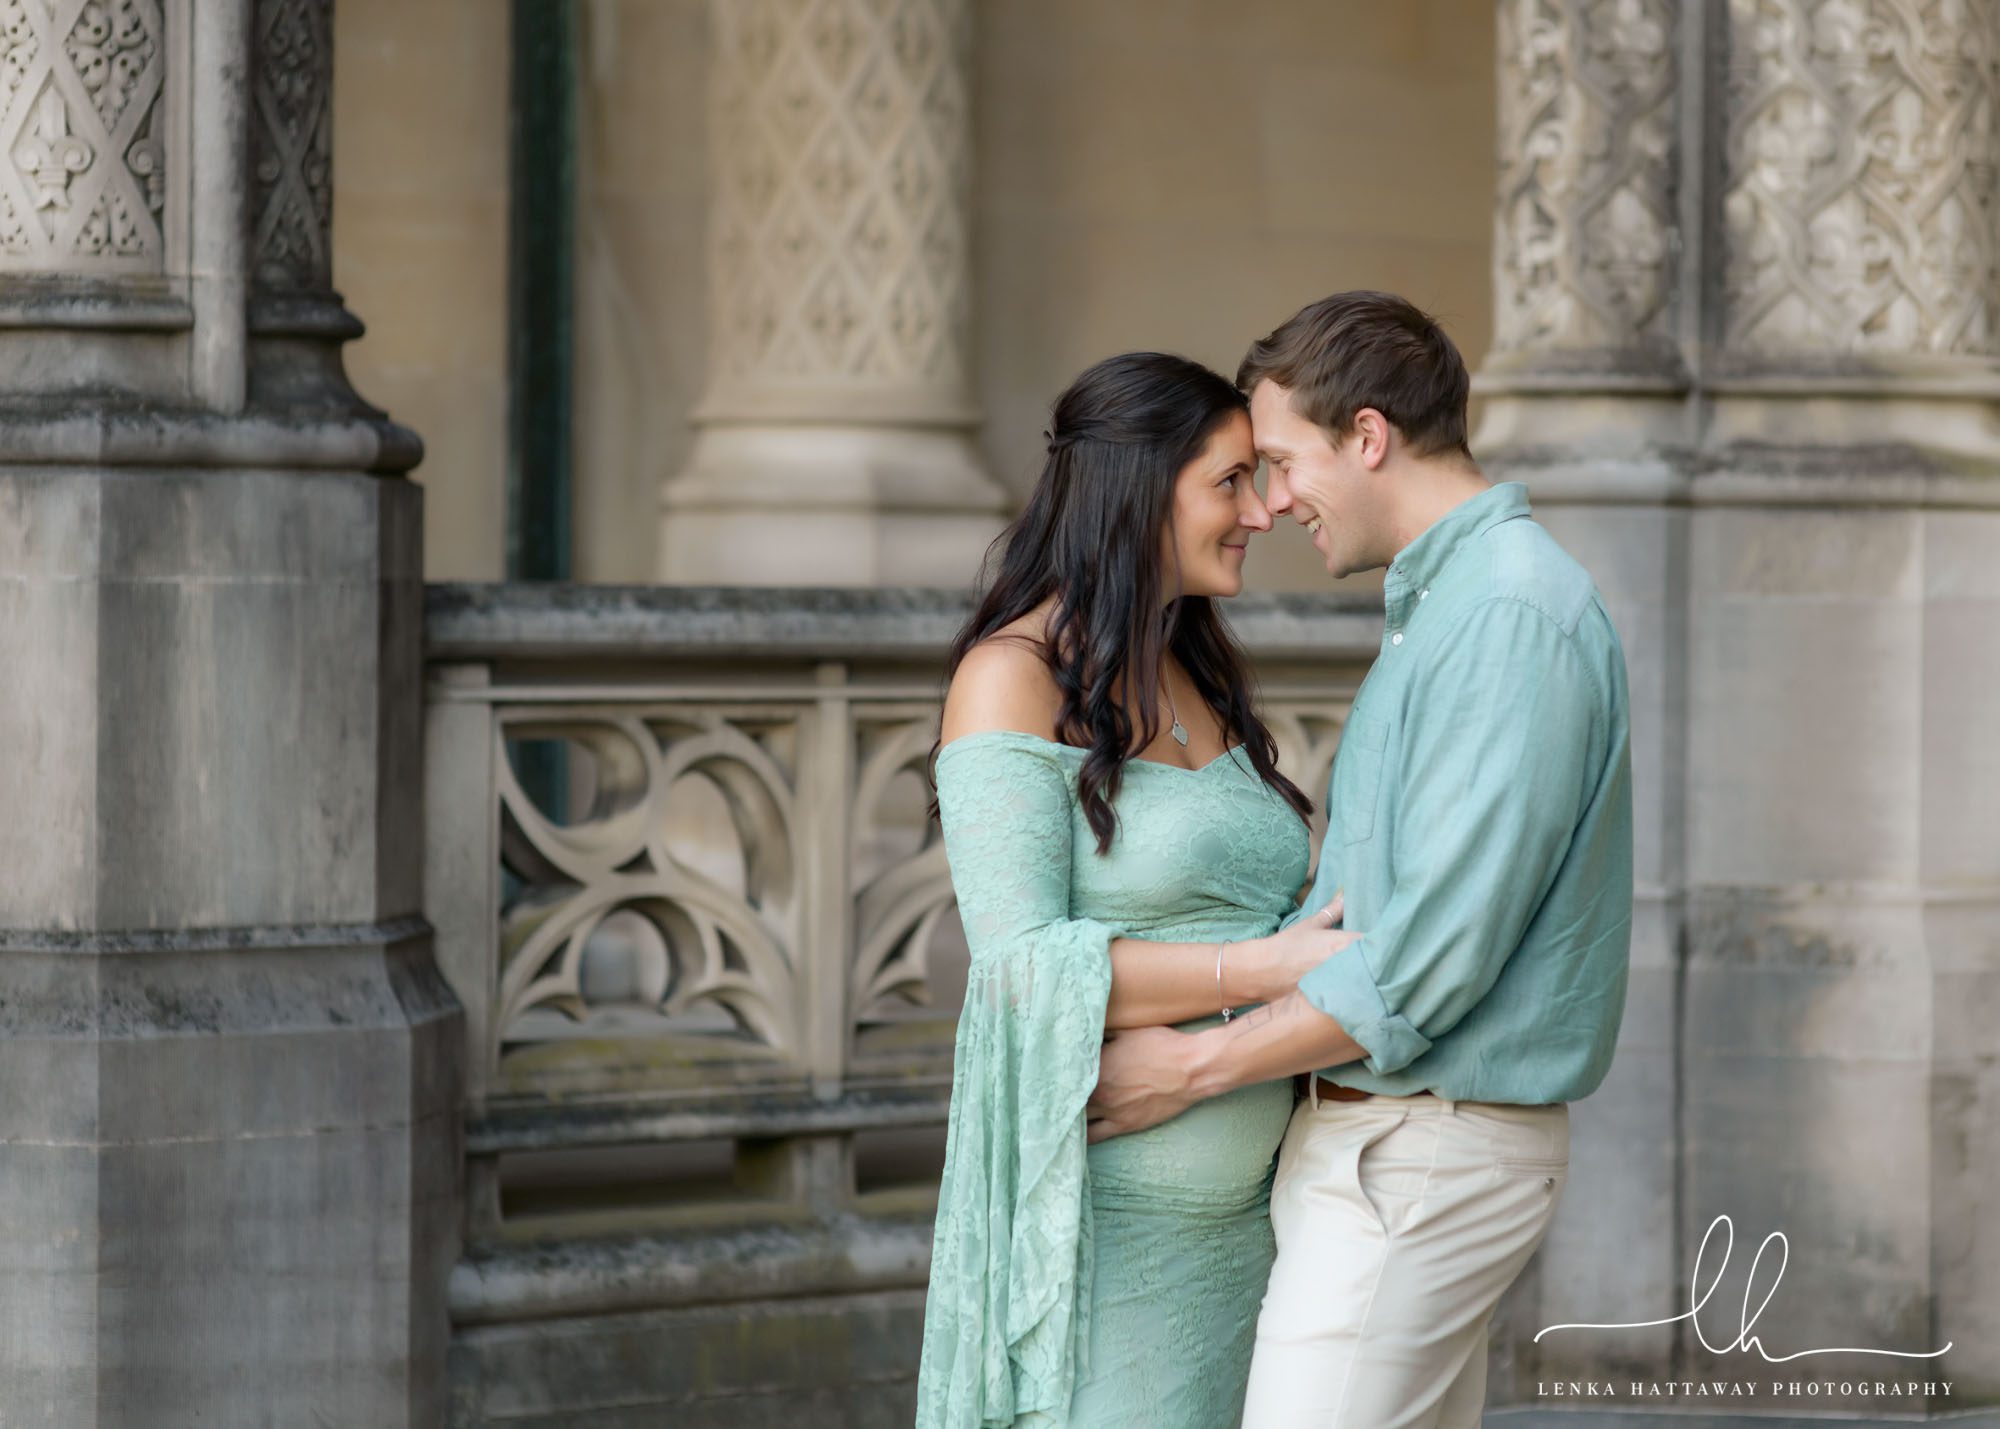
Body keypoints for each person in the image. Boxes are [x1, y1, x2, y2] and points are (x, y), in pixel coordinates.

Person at [1089, 292, 1635, 1429]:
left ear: (1369, 436)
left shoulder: (1506, 616)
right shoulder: (1444, 609)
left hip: (1419, 1152)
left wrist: (1187, 1071)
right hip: (1389, 1151)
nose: (1271, 501)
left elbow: (1418, 966)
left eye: (1282, 462)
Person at [914, 351, 1355, 1428]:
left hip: (1262, 1231)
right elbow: (1020, 970)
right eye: (1229, 481)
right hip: (1113, 1243)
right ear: (1138, 487)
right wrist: (1263, 969)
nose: (1259, 510)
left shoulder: (1193, 668)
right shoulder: (1006, 679)